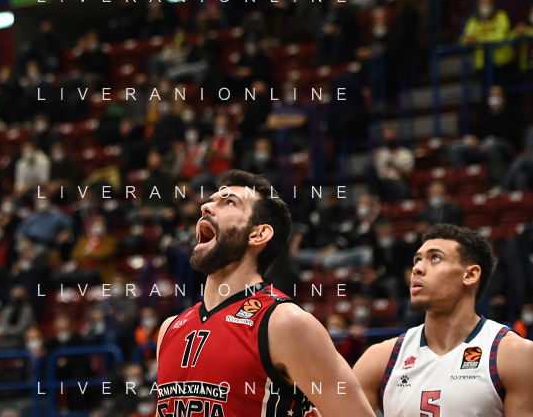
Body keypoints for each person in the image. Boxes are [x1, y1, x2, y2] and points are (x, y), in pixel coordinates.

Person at [154, 170, 376, 417]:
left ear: (258, 234)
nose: (205, 207)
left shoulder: (285, 323)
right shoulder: (169, 329)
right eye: (210, 201)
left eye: (229, 203)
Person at [353, 225, 533, 415]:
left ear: (470, 275)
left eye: (435, 258)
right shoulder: (380, 359)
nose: (417, 269)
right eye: (417, 260)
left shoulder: (514, 354)